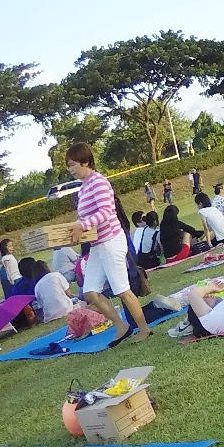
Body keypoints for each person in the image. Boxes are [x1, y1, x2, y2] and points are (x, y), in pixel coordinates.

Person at [61, 142, 150, 342]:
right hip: (96, 245)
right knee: (89, 292)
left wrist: (83, 226)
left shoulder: (98, 182)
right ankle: (121, 326)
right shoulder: (83, 188)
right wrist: (75, 230)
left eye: (73, 164)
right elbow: (84, 218)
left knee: (122, 290)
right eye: (68, 166)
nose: (71, 170)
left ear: (85, 162)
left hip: (111, 241)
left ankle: (144, 328)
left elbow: (106, 211)